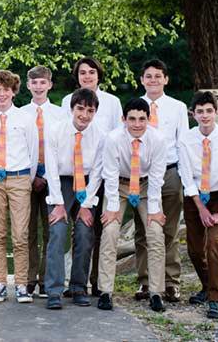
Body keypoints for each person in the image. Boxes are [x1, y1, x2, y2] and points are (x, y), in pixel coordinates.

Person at [97, 98, 167, 312]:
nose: (137, 124)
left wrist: (154, 210)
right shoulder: (113, 139)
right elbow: (109, 174)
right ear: (123, 119)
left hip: (147, 187)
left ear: (149, 119)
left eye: (142, 119)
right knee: (109, 232)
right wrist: (111, 209)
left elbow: (157, 177)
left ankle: (156, 293)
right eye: (132, 119)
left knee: (155, 233)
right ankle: (105, 291)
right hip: (118, 185)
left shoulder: (158, 139)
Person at [61, 57, 123, 297]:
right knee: (80, 226)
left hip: (104, 172)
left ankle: (98, 281)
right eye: (83, 72)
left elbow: (118, 134)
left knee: (98, 226)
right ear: (77, 76)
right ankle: (78, 281)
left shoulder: (112, 102)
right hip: (76, 172)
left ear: (99, 75)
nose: (87, 76)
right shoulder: (68, 100)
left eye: (92, 72)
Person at [178, 91, 218, 319]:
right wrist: (200, 208)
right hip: (194, 196)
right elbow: (186, 175)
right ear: (193, 114)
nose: (205, 116)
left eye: (209, 111)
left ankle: (215, 298)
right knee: (194, 249)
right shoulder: (186, 139)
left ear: (216, 112)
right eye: (200, 111)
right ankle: (206, 285)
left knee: (214, 243)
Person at [134, 59, 189, 303]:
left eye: (158, 75)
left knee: (169, 229)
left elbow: (183, 144)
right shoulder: (135, 106)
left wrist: (184, 178)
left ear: (166, 79)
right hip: (142, 175)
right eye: (149, 76)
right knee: (143, 229)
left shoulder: (177, 107)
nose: (153, 80)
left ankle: (170, 282)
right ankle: (145, 282)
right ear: (142, 80)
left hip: (169, 173)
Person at [0, 70, 38, 303]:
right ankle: (0, 283)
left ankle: (22, 284)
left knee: (20, 234)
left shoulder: (25, 119)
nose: (2, 94)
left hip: (19, 178)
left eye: (6, 90)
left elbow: (33, 152)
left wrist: (26, 179)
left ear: (13, 91)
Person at [44, 88, 103, 309]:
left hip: (87, 184)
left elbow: (98, 171)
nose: (84, 115)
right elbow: (50, 168)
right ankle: (54, 290)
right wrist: (58, 203)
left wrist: (87, 205)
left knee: (84, 231)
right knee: (57, 231)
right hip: (61, 182)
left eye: (90, 110)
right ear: (71, 109)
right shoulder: (55, 130)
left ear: (95, 112)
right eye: (80, 109)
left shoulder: (100, 135)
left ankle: (79, 287)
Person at [19, 66, 67, 298]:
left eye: (42, 82)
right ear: (28, 85)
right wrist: (31, 176)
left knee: (51, 230)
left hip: (52, 178)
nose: (38, 86)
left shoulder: (60, 114)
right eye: (34, 82)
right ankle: (29, 278)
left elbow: (63, 149)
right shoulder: (20, 113)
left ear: (50, 85)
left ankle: (47, 280)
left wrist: (46, 176)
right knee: (27, 230)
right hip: (26, 178)